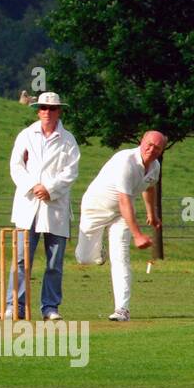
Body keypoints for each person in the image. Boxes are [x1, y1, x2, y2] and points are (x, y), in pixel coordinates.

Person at [75, 131, 166, 321]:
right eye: (149, 144)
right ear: (141, 142)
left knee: (121, 257)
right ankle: (99, 253)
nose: (152, 149)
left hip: (122, 215)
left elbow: (149, 187)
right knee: (84, 258)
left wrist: (152, 213)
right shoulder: (125, 162)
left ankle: (122, 310)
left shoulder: (155, 166)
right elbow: (124, 200)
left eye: (157, 147)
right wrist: (138, 235)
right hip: (95, 208)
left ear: (161, 150)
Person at [5, 92, 80, 321]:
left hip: (54, 207)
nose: (47, 112)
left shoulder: (68, 140)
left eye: (52, 108)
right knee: (20, 259)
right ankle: (13, 306)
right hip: (28, 205)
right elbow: (16, 166)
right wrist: (33, 186)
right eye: (43, 108)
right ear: (38, 111)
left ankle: (50, 307)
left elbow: (71, 172)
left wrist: (50, 189)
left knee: (54, 262)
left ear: (59, 111)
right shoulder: (26, 135)